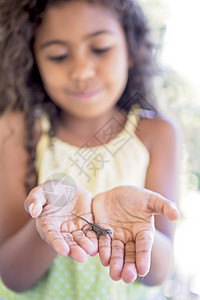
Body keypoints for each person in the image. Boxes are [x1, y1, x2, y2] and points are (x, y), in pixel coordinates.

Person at [0, 0, 180, 299]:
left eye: (100, 48)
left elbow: (160, 271)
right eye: (58, 55)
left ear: (131, 49)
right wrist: (45, 221)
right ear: (33, 59)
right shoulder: (15, 131)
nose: (82, 71)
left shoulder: (157, 133)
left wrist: (142, 233)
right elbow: (13, 276)